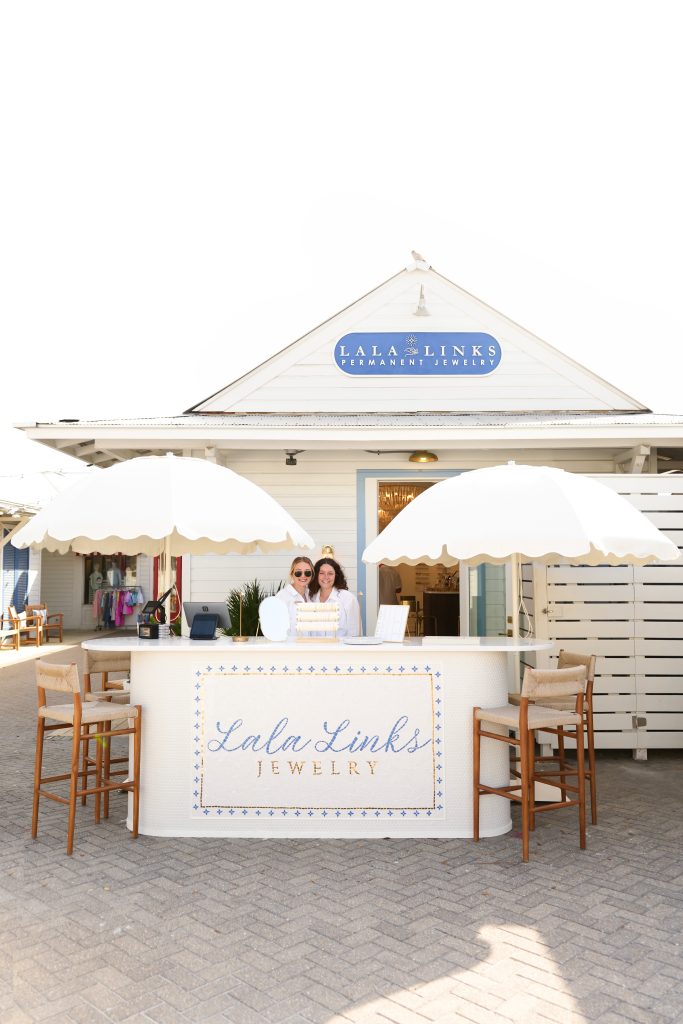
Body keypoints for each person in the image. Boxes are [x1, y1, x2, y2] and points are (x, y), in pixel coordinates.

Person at [308, 557, 361, 637]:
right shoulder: (311, 599)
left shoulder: (348, 598)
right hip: (316, 648)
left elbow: (355, 631)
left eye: (330, 573)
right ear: (316, 576)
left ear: (336, 576)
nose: (326, 577)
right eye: (322, 573)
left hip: (340, 648)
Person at [275, 556, 314, 633]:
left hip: (310, 643)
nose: (303, 576)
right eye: (298, 573)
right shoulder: (282, 597)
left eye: (307, 572)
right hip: (291, 644)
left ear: (312, 574)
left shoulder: (312, 595)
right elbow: (276, 626)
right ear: (292, 574)